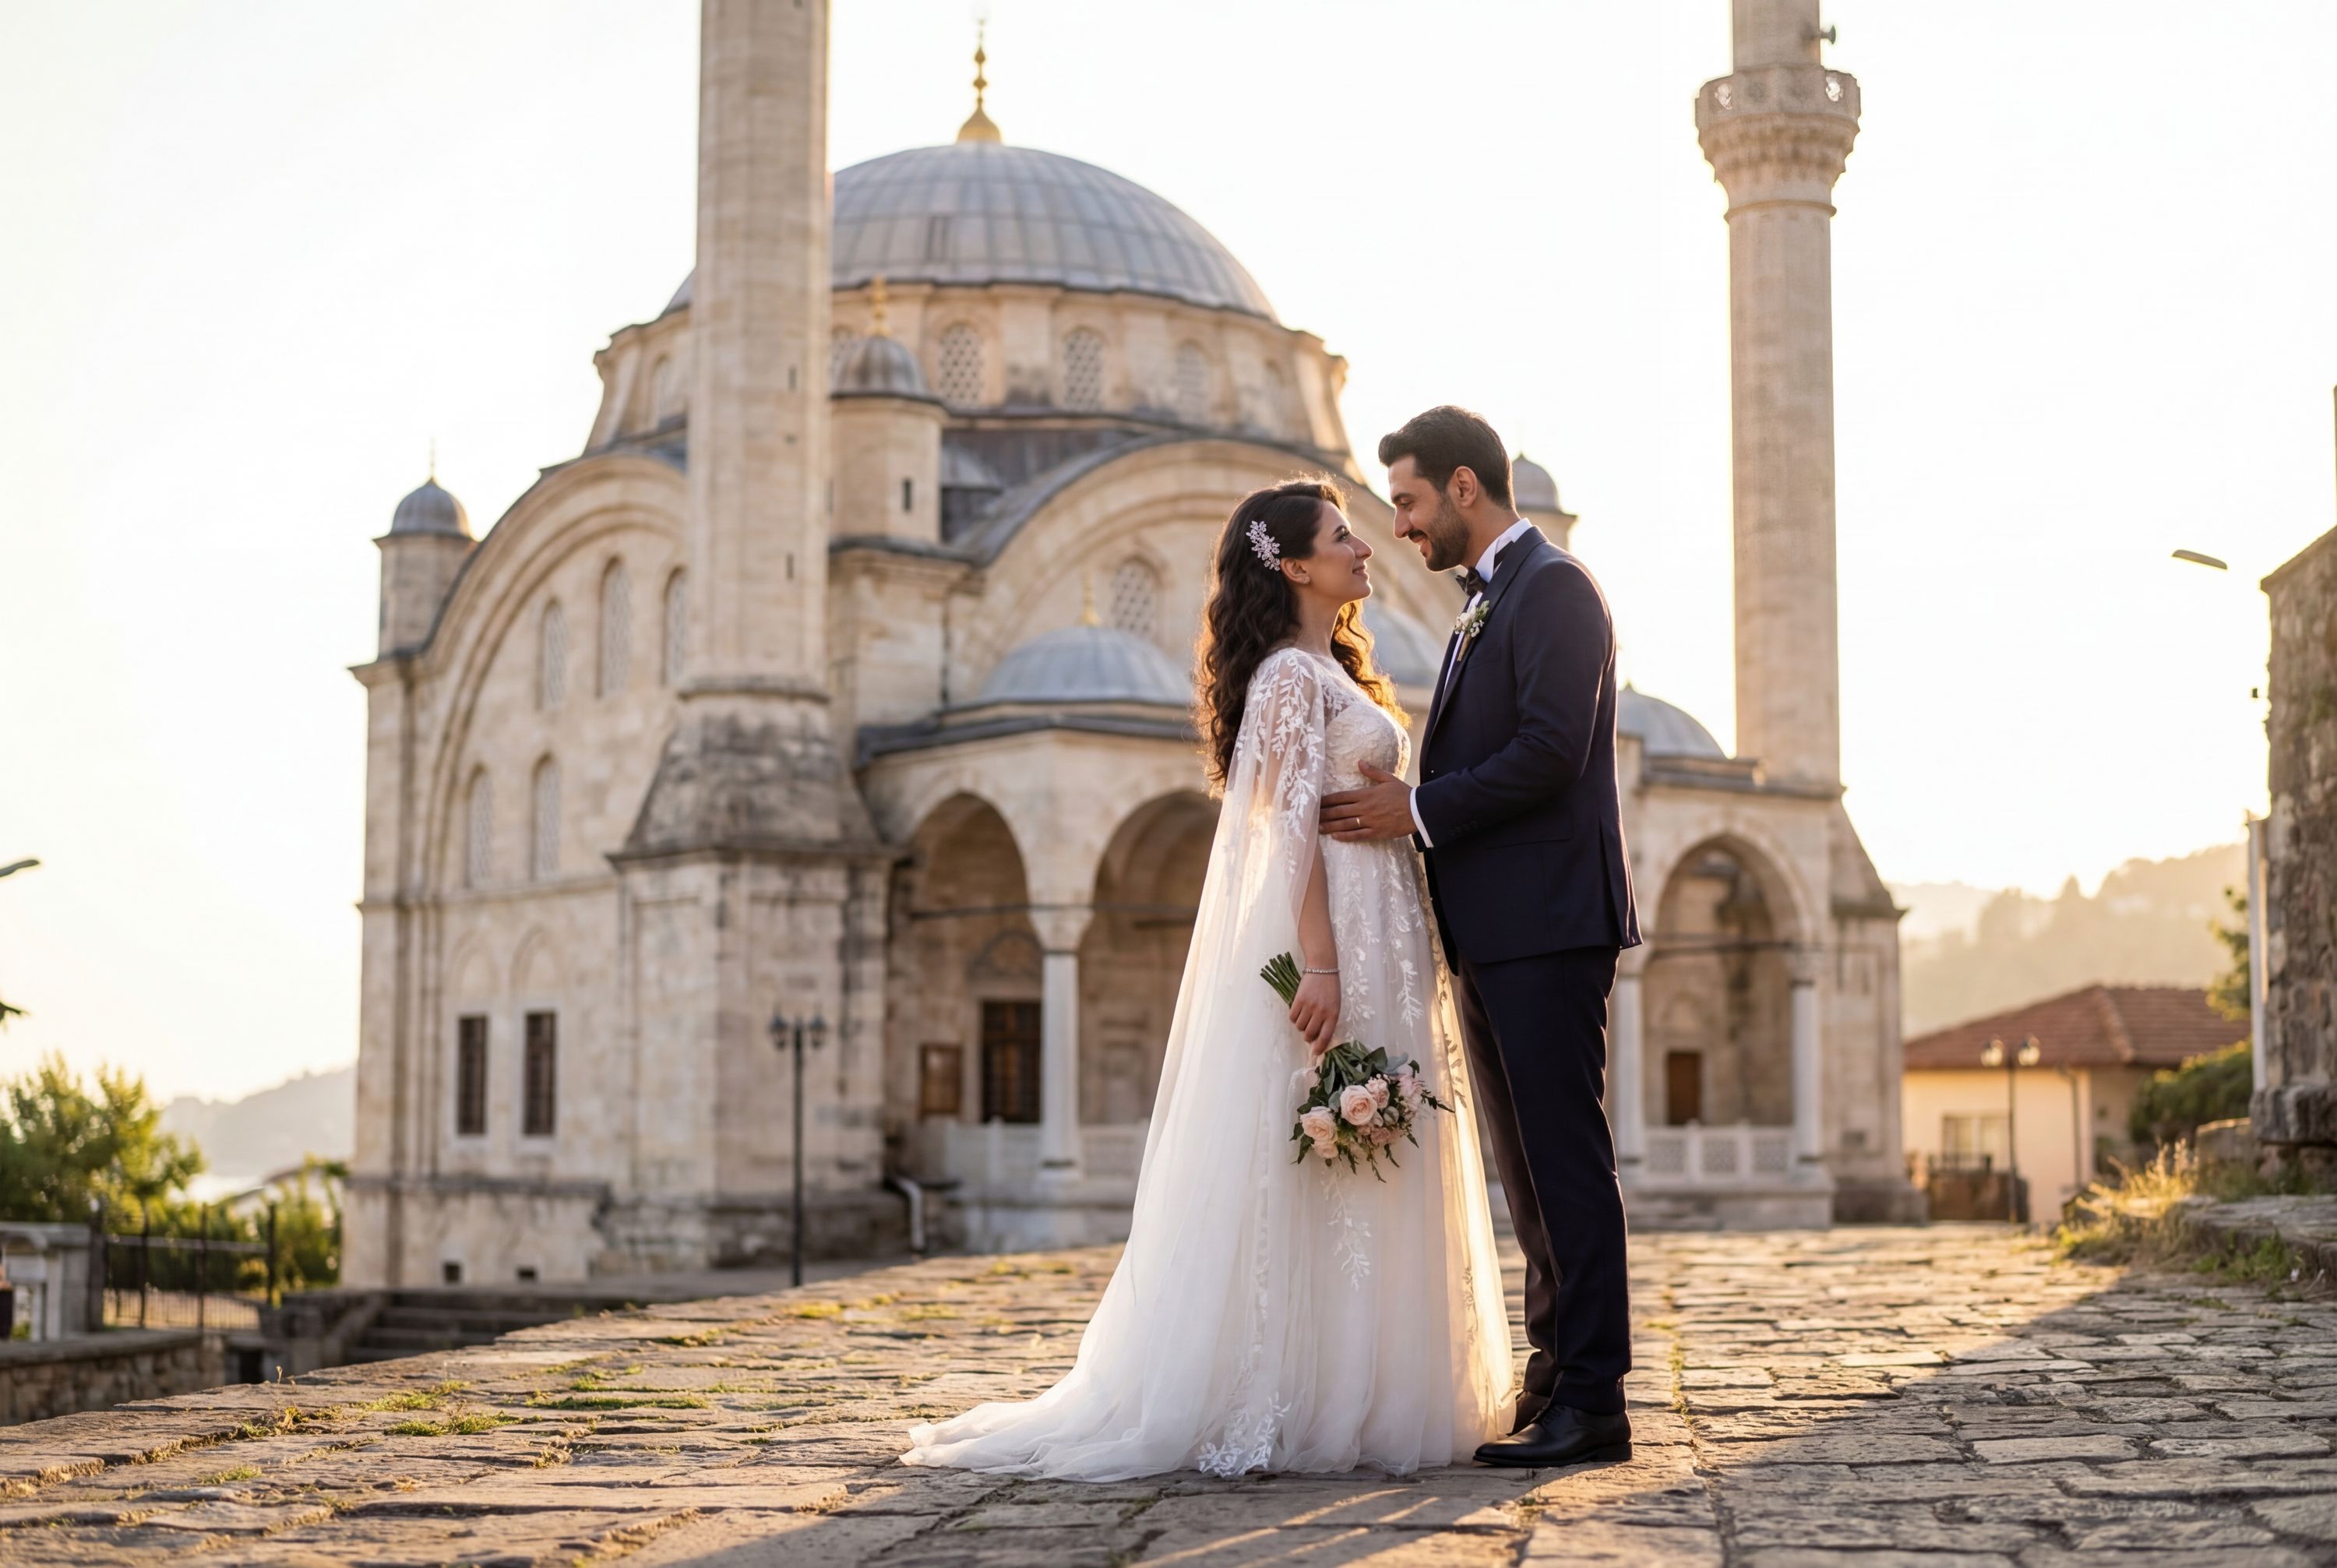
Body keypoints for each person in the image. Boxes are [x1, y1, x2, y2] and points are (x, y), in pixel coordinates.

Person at [900, 477, 1512, 1481]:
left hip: (1386, 930)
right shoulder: (1287, 679)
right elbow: (1287, 833)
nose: (1367, 547)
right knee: (1328, 1145)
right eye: (1344, 536)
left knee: (1378, 1149)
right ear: (1295, 566)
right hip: (1339, 934)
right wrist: (1320, 961)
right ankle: (1306, 1391)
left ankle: (1375, 1386)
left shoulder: (1332, 669)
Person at [1320, 406, 1641, 1468]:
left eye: (1409, 501)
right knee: (1527, 1171)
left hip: (1547, 923)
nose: (1400, 526)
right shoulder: (1484, 600)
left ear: (1466, 487)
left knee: (1565, 1160)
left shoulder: (1555, 589)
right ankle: (1555, 1374)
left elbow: (1552, 749)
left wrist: (1415, 809)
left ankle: (1594, 1398)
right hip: (1496, 930)